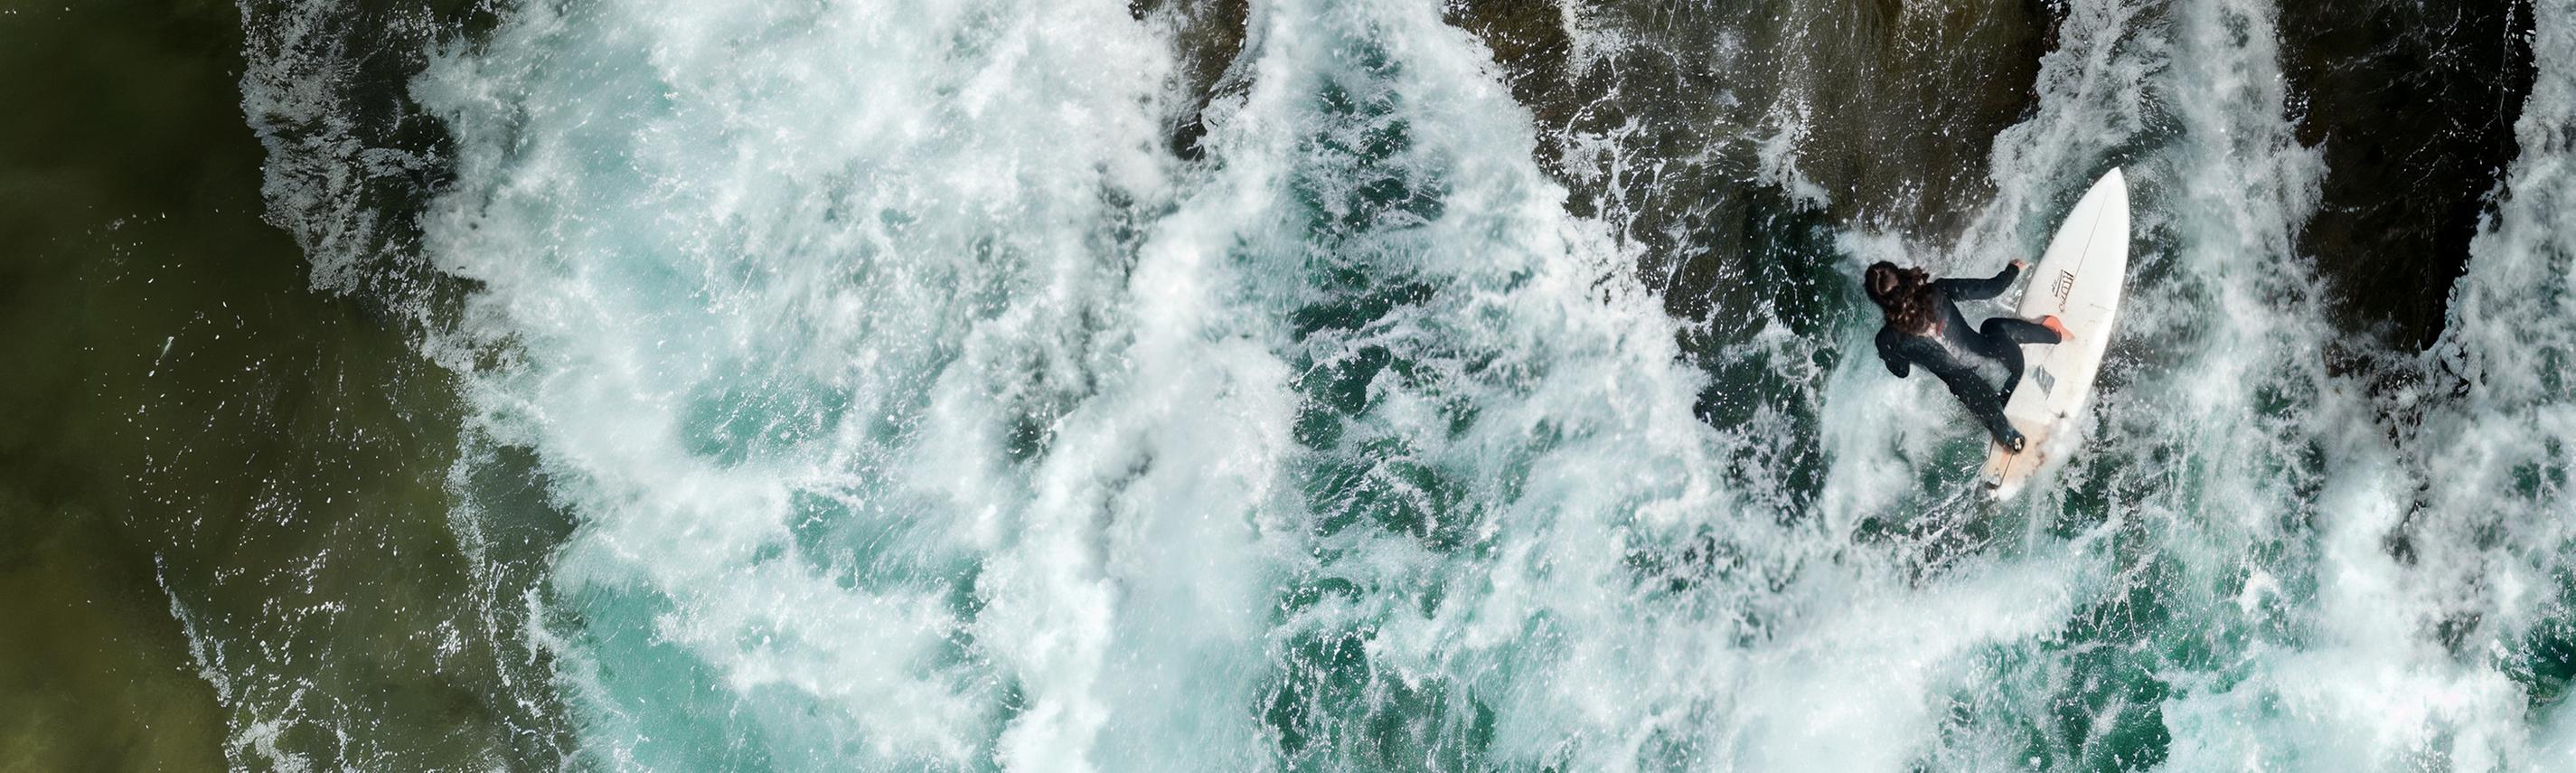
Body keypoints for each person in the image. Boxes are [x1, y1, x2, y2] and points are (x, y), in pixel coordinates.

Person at [1865, 259, 2069, 453]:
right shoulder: (1937, 290)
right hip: (2010, 367)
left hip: (1988, 400)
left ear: (1879, 301)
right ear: (1901, 276)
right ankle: (2053, 334)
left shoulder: (1887, 340)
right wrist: (2012, 270)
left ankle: (2009, 437)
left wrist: (1894, 354)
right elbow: (1993, 289)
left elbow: (1901, 371)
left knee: (1964, 383)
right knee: (1990, 327)